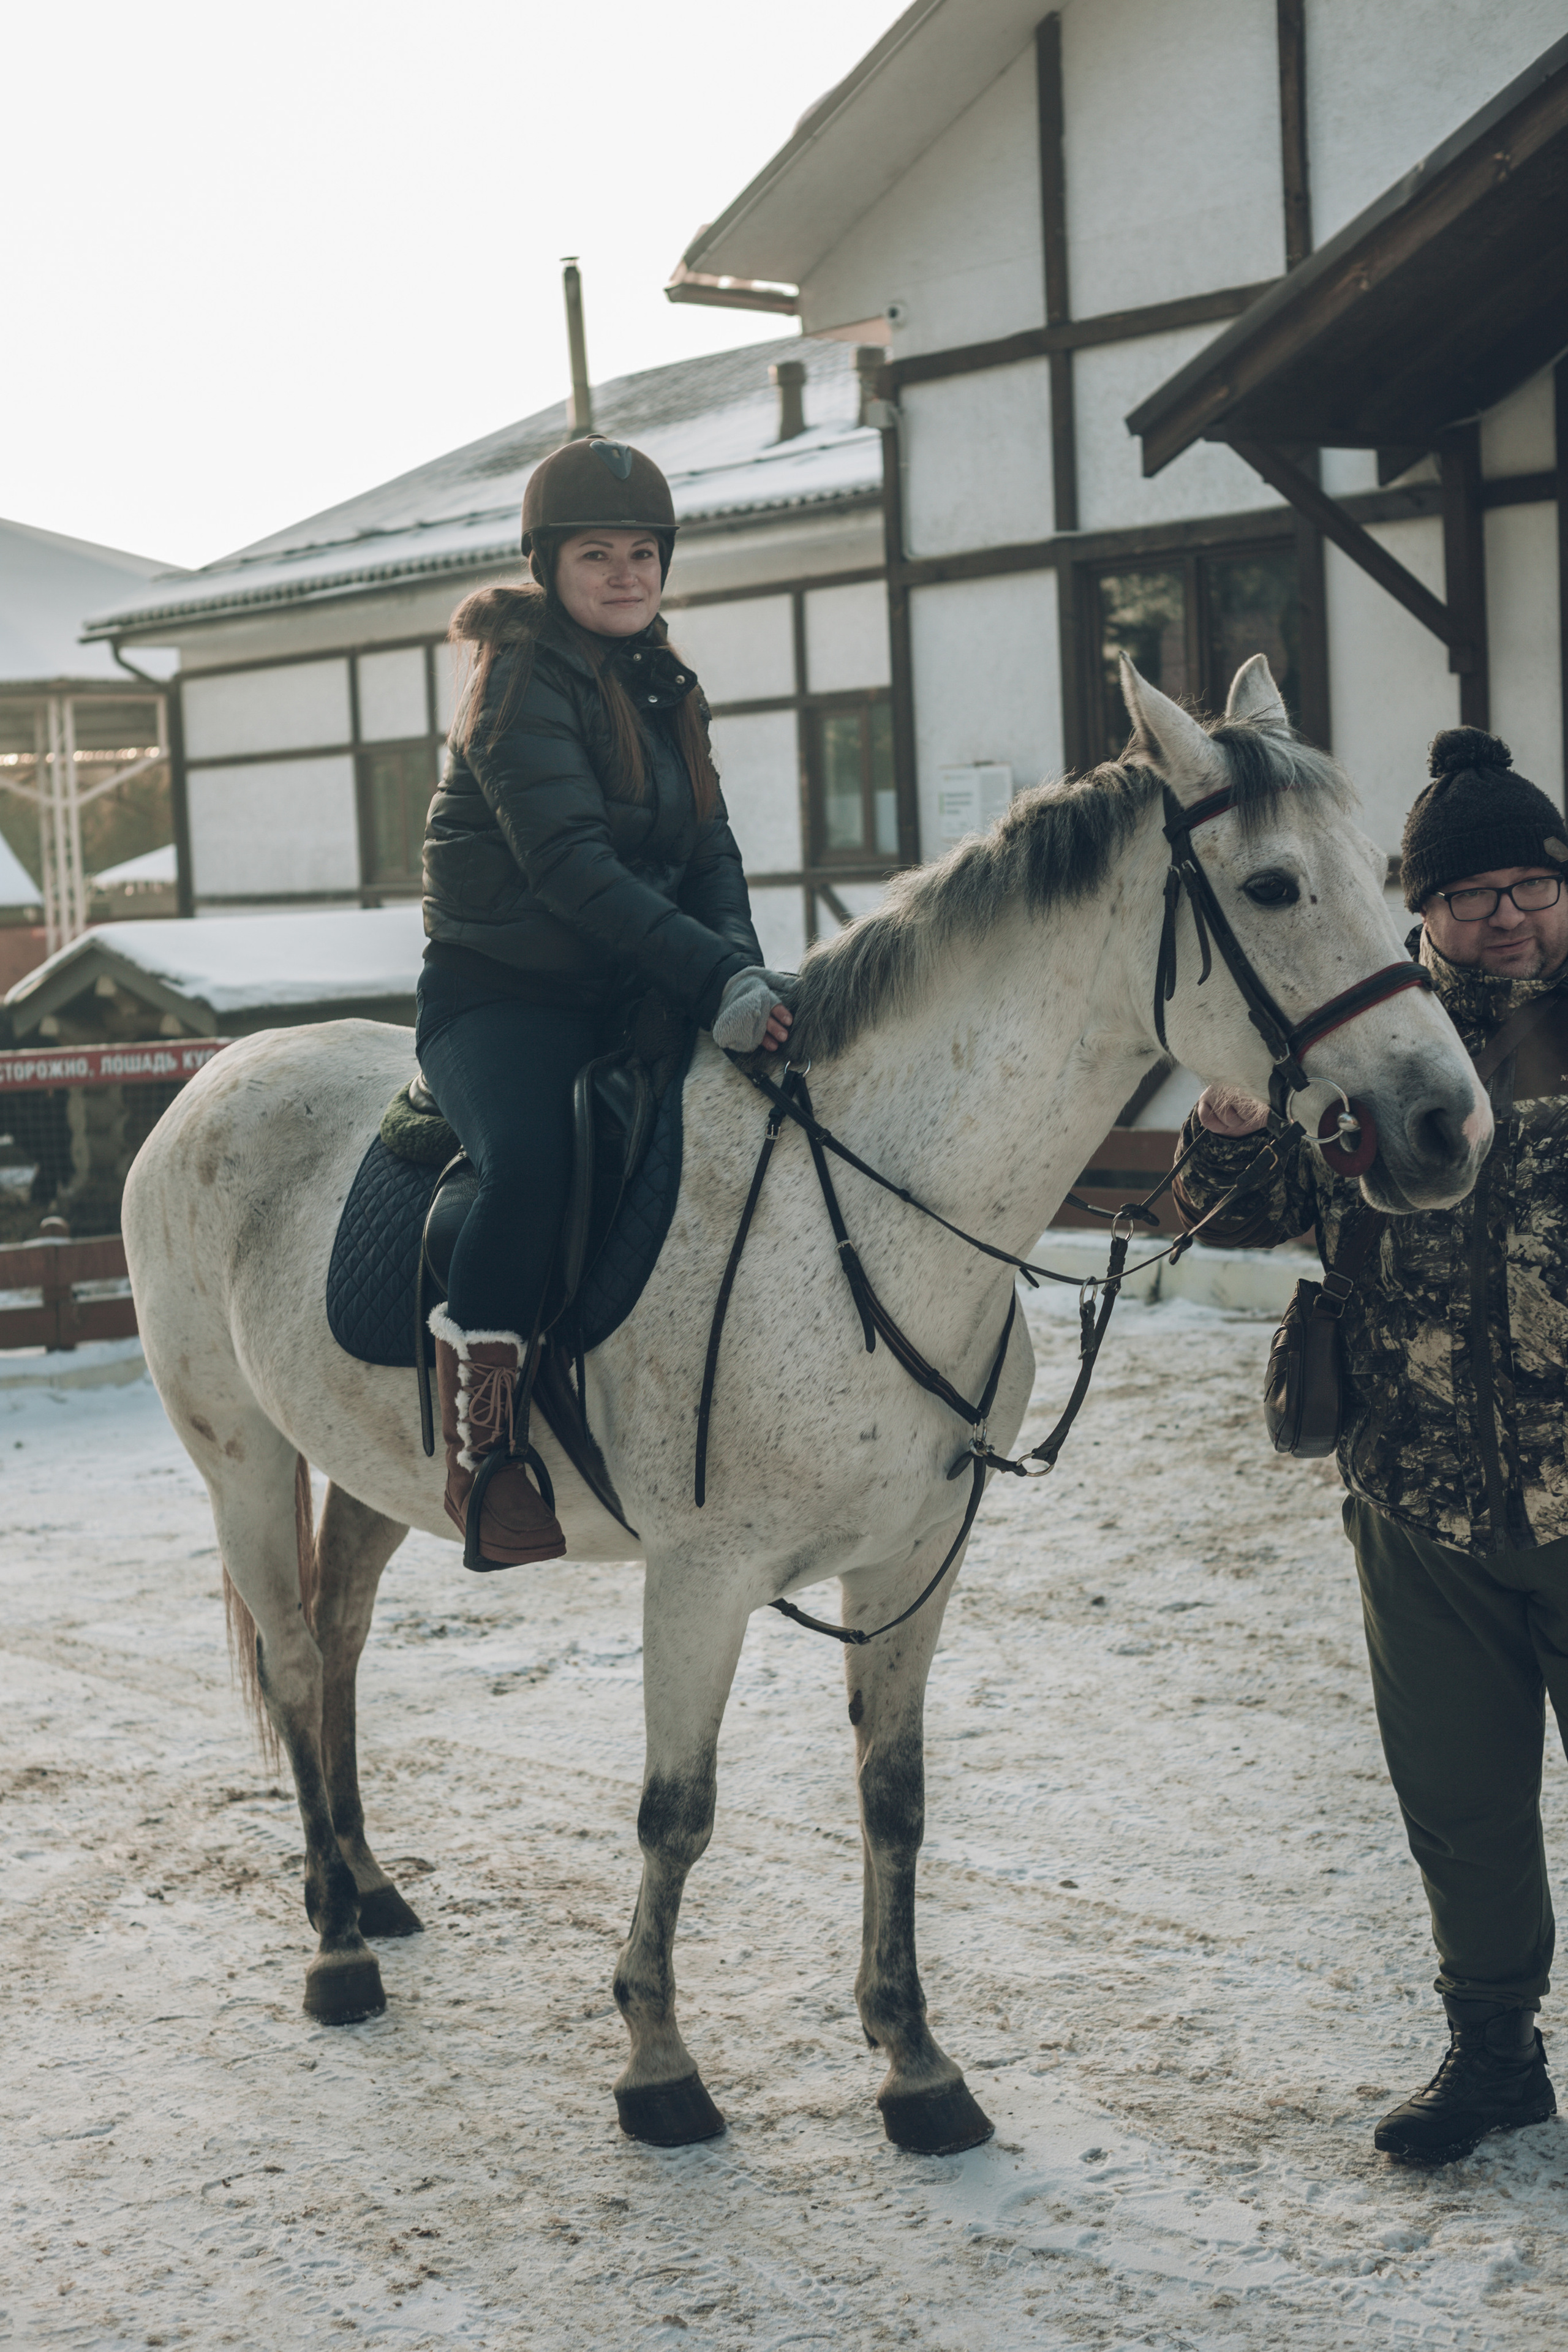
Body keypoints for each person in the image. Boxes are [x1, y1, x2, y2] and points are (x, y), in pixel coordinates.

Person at [1172, 726, 1568, 2165]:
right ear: (1420, 911)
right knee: (1459, 1809)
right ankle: (1491, 2054)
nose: (1504, 914)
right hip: (1418, 1506)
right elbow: (1222, 1221)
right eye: (1469, 895)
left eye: (1531, 884)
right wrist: (1223, 1130)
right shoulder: (1356, 1042)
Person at [417, 435, 793, 1569]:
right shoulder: (519, 682)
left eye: (643, 552)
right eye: (598, 554)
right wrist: (708, 973)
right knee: (532, 1162)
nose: (626, 573)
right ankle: (482, 1448)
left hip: (632, 985)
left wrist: (745, 975)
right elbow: (573, 868)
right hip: (503, 996)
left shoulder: (665, 684)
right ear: (548, 565)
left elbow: (712, 851)